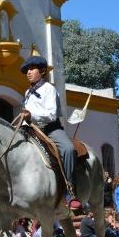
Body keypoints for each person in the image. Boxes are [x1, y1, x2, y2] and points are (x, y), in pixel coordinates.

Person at [18, 55, 79, 208]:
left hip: (51, 129)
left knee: (69, 149)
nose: (28, 72)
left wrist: (32, 115)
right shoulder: (27, 93)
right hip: (32, 130)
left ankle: (70, 190)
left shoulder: (49, 89)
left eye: (32, 69)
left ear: (43, 71)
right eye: (27, 70)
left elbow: (52, 114)